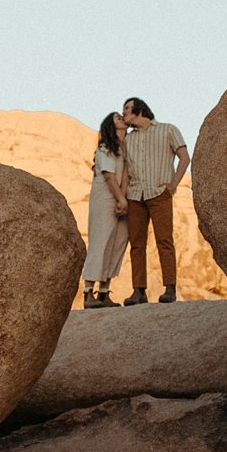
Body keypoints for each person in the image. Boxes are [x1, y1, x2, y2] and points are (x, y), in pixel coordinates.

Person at [118, 98, 189, 305]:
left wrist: (173, 184)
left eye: (127, 109)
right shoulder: (128, 140)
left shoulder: (168, 130)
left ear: (139, 109)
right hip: (135, 196)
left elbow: (184, 157)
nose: (124, 113)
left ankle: (170, 288)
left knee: (164, 241)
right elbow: (125, 171)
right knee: (136, 244)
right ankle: (138, 291)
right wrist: (122, 197)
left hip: (159, 193)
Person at [81, 114, 129, 310]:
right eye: (118, 117)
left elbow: (125, 174)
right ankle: (87, 292)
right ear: (111, 125)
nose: (122, 118)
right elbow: (109, 176)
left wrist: (123, 199)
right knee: (100, 241)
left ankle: (103, 292)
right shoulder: (105, 149)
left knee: (117, 243)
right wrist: (120, 199)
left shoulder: (125, 149)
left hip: (120, 197)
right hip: (105, 198)